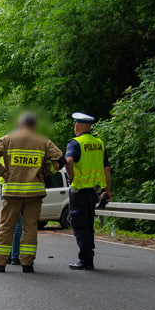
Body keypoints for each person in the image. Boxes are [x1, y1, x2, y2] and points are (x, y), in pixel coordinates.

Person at [0, 112, 65, 273]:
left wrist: (2, 172)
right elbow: (61, 161)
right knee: (30, 228)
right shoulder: (44, 142)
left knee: (6, 227)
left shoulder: (7, 140)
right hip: (34, 194)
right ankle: (27, 264)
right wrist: (45, 171)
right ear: (34, 126)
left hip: (12, 193)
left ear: (20, 125)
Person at [65, 112, 112, 271]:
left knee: (79, 225)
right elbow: (106, 168)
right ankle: (88, 257)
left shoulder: (75, 143)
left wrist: (71, 177)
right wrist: (107, 189)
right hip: (94, 192)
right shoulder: (99, 143)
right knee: (89, 223)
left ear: (77, 125)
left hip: (79, 191)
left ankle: (85, 260)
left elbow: (68, 161)